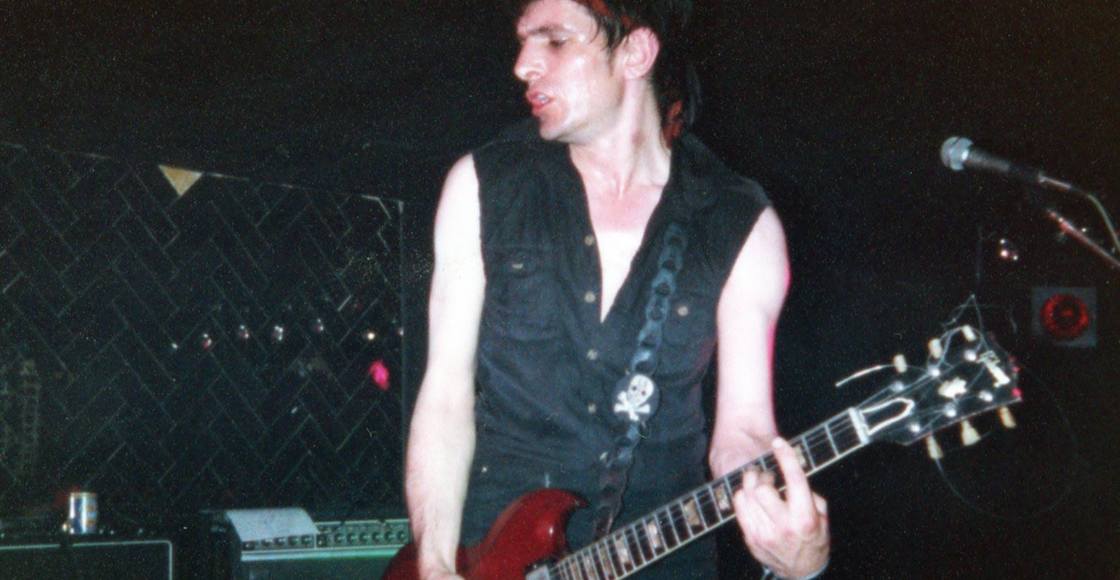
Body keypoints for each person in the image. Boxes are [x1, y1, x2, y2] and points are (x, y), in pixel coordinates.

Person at [405, 0, 830, 577]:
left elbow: (744, 431)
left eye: (555, 41)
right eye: (523, 41)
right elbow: (445, 396)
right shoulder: (483, 184)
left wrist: (795, 550)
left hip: (656, 557)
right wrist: (434, 564)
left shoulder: (739, 221)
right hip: (487, 555)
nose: (523, 65)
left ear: (635, 53)